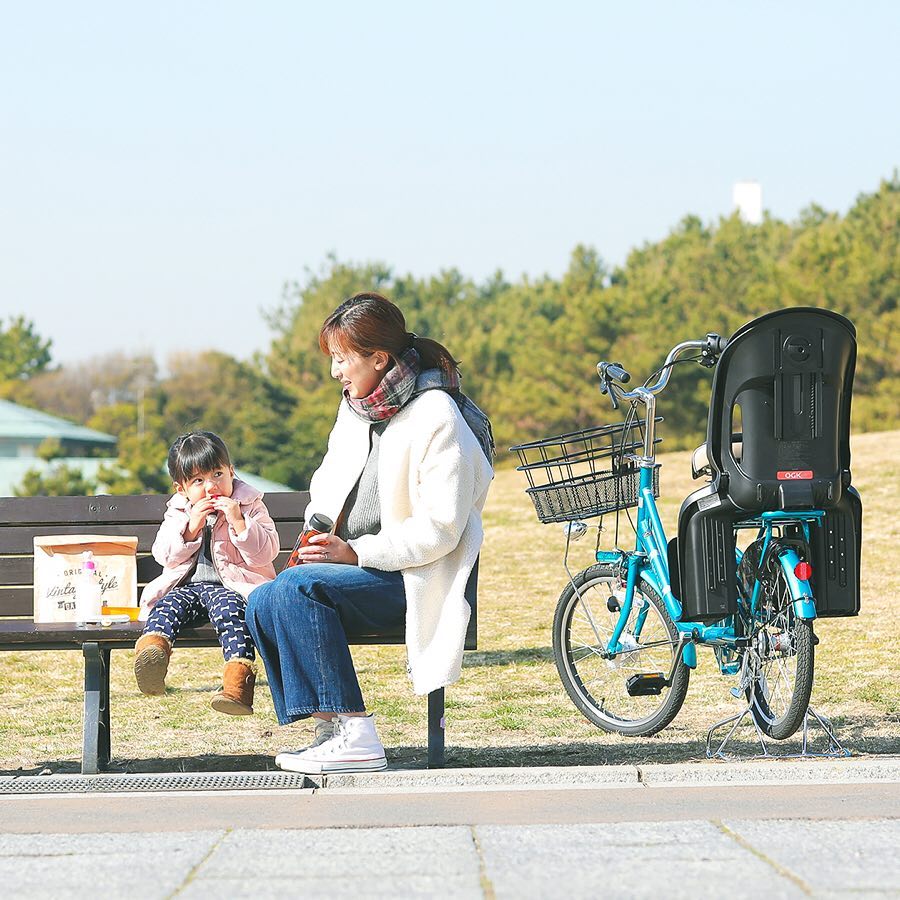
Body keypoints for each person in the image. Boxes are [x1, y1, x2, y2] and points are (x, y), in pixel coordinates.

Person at [247, 292, 493, 773]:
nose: (336, 371)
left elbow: (441, 529)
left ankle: (357, 734)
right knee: (263, 599)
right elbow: (329, 482)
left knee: (297, 589)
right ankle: (331, 728)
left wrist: (354, 553)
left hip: (415, 577)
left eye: (343, 359)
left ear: (379, 359)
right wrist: (318, 538)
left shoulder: (437, 415)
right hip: (355, 570)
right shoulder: (356, 410)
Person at [134, 431, 279, 715]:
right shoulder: (178, 512)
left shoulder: (250, 506)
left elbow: (267, 552)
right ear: (181, 489)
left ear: (231, 472)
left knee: (232, 615)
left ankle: (237, 687)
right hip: (187, 590)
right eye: (198, 481)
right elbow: (163, 554)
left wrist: (239, 523)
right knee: (165, 607)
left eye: (217, 474)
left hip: (233, 590)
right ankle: (153, 654)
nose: (211, 486)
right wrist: (190, 528)